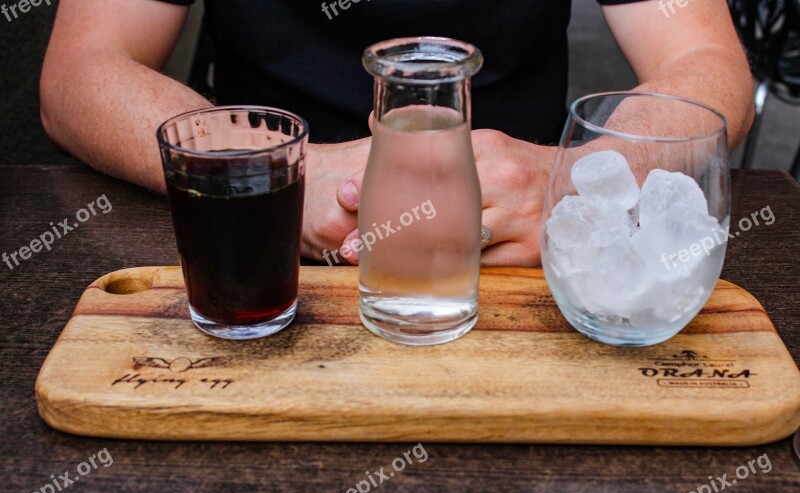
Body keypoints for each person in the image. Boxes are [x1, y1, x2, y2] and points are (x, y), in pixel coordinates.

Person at [39, 0, 754, 266]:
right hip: (257, 244)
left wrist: (576, 179)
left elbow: (702, 60)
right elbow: (81, 69)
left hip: (517, 254)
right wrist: (281, 171)